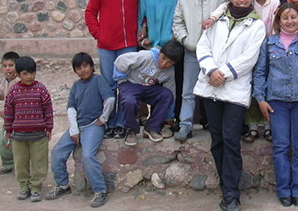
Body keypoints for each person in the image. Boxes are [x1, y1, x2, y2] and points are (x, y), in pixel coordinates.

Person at [194, 0, 266, 211]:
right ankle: (226, 187)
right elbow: (203, 46)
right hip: (211, 88)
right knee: (217, 140)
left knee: (231, 140)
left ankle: (232, 195)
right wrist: (211, 70)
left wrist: (222, 74)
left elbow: (249, 58)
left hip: (235, 89)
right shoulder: (217, 21)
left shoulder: (256, 25)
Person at [253, 3, 298, 207]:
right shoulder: (269, 44)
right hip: (276, 102)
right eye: (285, 17)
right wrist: (260, 99)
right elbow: (260, 73)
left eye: (293, 17)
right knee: (281, 146)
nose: (290, 21)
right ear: (279, 21)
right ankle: (284, 190)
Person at [85, 0, 146, 140]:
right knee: (109, 85)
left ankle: (123, 122)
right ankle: (109, 121)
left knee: (126, 85)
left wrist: (143, 30)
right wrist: (98, 33)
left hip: (129, 44)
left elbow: (145, 11)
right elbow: (90, 12)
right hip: (107, 46)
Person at [47, 53, 115, 208]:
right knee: (57, 152)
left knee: (88, 156)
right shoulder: (76, 86)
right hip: (77, 126)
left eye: (85, 66)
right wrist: (74, 130)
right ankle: (63, 185)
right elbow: (71, 108)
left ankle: (100, 191)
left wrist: (103, 118)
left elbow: (110, 99)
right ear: (75, 71)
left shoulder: (98, 80)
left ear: (92, 66)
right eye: (78, 68)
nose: (83, 70)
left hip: (94, 125)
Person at [172, 0, 229, 142]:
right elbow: (177, 21)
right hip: (192, 52)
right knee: (188, 91)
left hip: (215, 54)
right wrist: (185, 40)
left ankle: (215, 125)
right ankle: (185, 125)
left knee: (215, 89)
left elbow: (227, 20)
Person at [168, 0, 210, 125]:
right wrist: (182, 36)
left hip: (207, 37)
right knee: (182, 81)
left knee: (208, 80)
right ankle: (181, 119)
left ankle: (205, 119)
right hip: (183, 37)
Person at [138, 0, 182, 137]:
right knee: (151, 84)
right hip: (153, 48)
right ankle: (152, 120)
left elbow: (180, 17)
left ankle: (169, 119)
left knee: (170, 87)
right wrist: (144, 37)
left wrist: (174, 38)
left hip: (171, 47)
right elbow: (142, 18)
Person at [113, 40, 184, 146]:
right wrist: (121, 80)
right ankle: (131, 130)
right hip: (131, 84)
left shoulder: (170, 72)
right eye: (163, 58)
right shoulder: (146, 57)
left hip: (149, 88)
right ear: (160, 53)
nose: (164, 64)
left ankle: (151, 127)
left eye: (170, 62)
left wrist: (170, 117)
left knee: (167, 95)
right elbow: (120, 61)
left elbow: (171, 93)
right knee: (129, 101)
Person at [3, 56, 53, 202]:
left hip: (39, 135)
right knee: (21, 163)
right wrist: (8, 130)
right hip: (19, 137)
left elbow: (48, 109)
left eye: (32, 73)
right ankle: (24, 186)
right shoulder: (13, 91)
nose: (29, 76)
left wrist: (49, 128)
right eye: (25, 73)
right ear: (18, 74)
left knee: (39, 162)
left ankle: (36, 187)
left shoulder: (41, 89)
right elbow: (8, 112)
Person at [0, 51, 20, 174]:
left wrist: (7, 112)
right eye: (5, 66)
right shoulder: (5, 81)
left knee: (16, 143)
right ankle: (8, 164)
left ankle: (18, 166)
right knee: (3, 141)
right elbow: (2, 94)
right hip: (7, 119)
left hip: (17, 119)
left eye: (11, 65)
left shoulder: (18, 82)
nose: (8, 68)